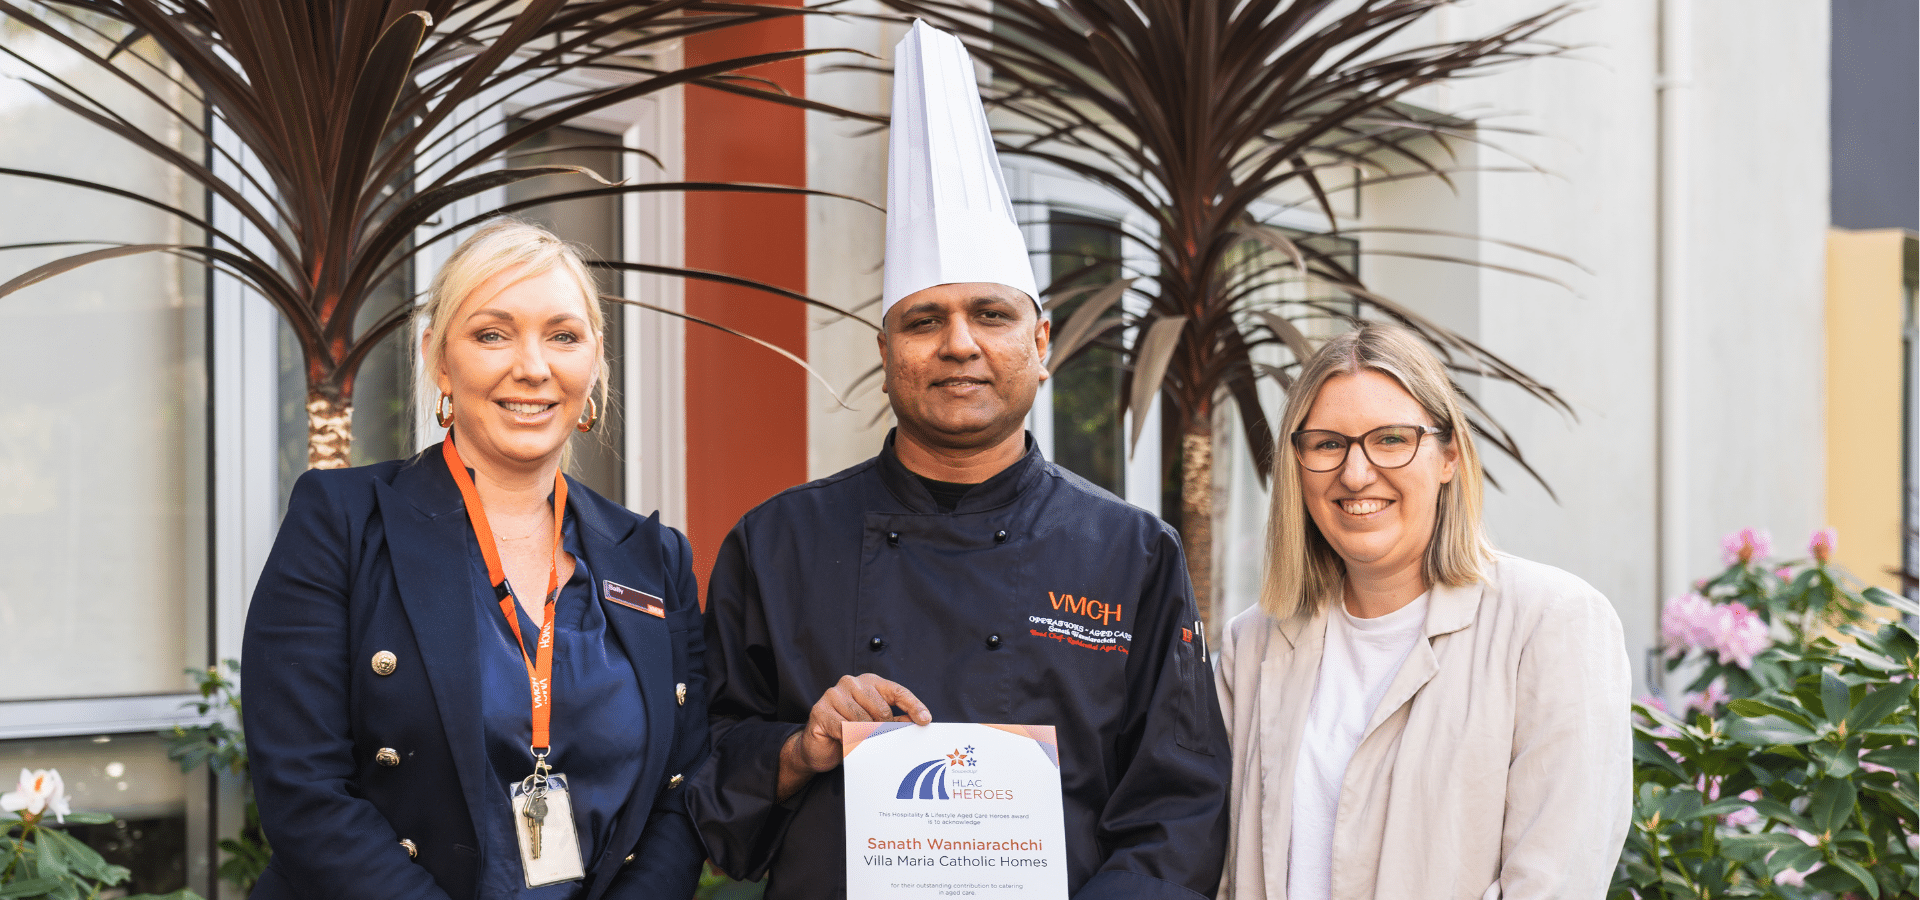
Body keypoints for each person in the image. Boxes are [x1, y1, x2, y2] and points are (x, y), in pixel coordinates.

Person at [683, 21, 1230, 900]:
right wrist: (800, 747)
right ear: (886, 348)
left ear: (1042, 342)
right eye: (925, 320)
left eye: (991, 314)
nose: (959, 345)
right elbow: (705, 792)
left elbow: (1181, 811)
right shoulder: (776, 543)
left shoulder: (1134, 555)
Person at [242, 219, 708, 900]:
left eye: (563, 335)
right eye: (492, 334)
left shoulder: (656, 559)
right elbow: (304, 793)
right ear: (438, 359)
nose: (533, 366)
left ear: (596, 360)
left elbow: (683, 793)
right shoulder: (340, 522)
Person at [1213, 323, 1631, 900]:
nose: (1355, 474)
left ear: (1448, 457)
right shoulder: (1252, 645)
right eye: (1327, 443)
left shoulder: (1552, 624)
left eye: (1390, 440)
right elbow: (1223, 871)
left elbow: (1555, 882)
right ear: (1296, 464)